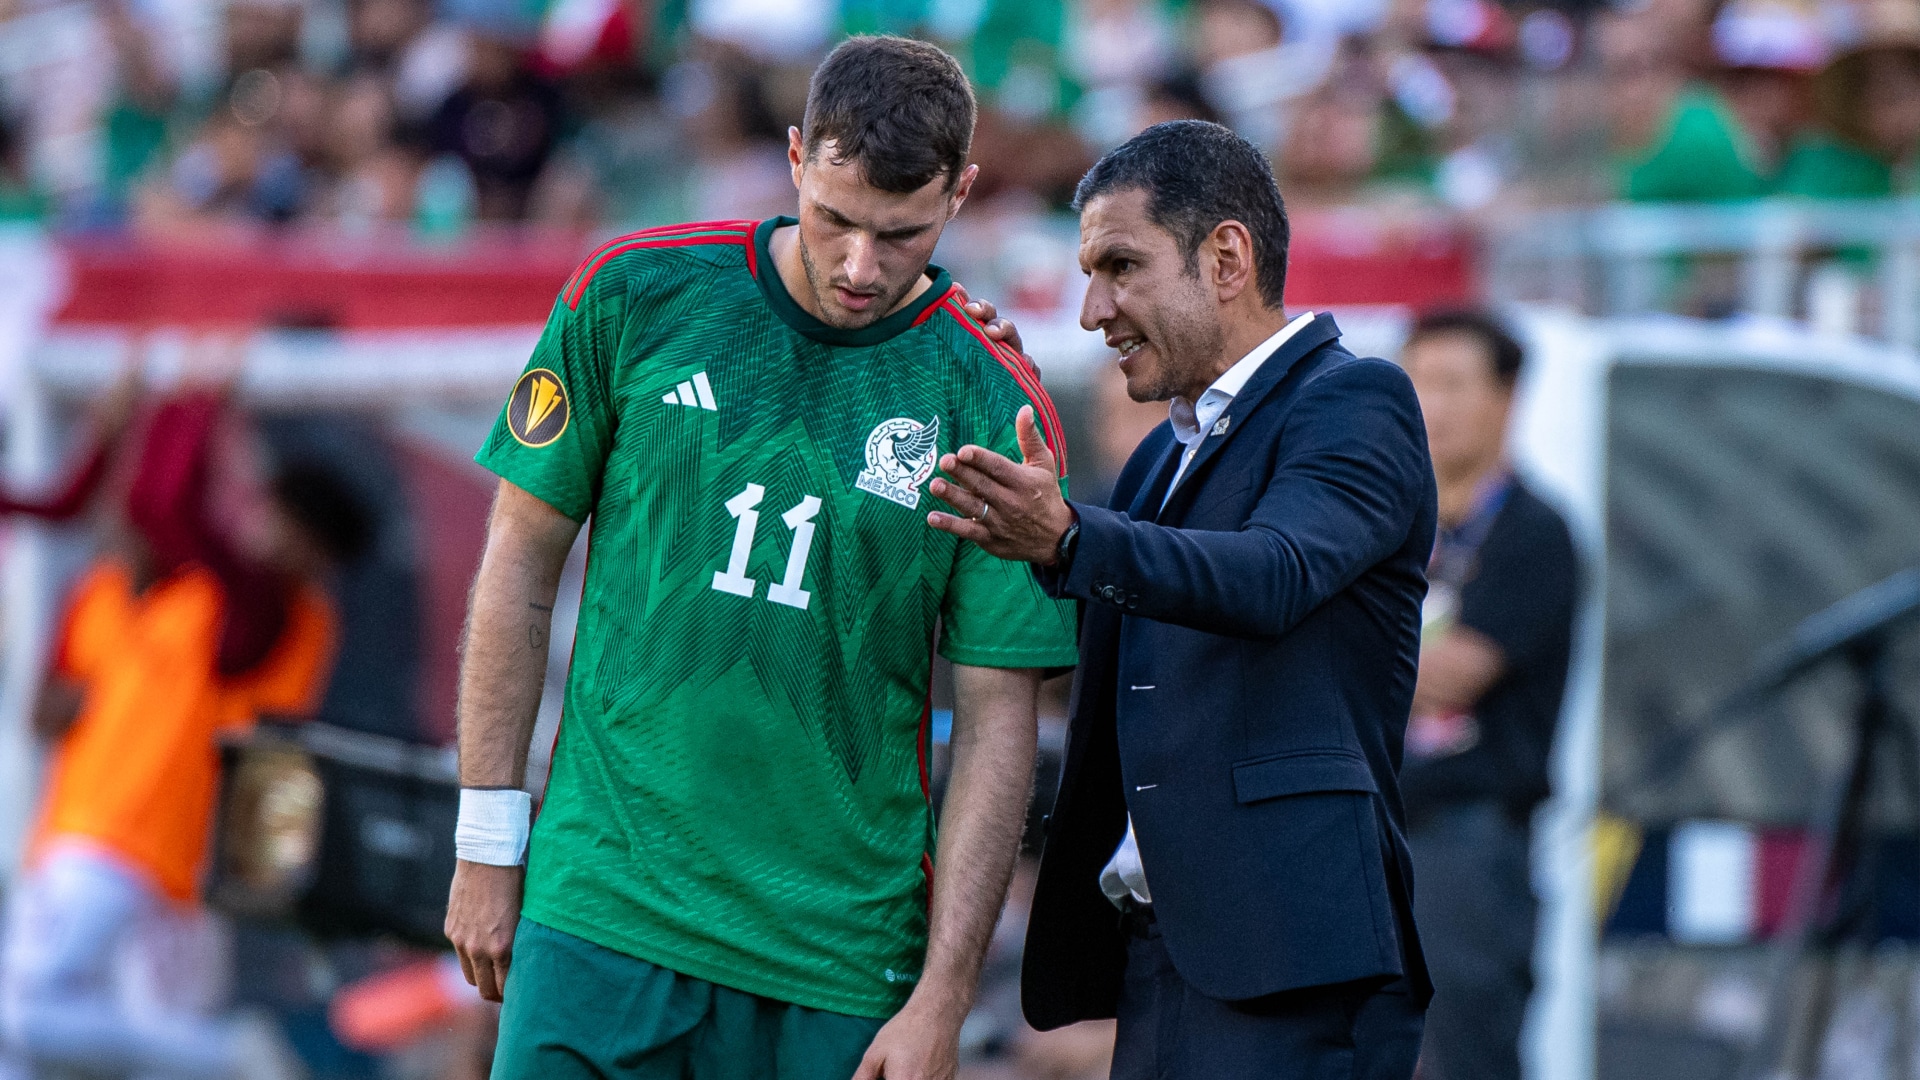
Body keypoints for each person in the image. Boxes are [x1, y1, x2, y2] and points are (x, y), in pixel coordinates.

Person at [443, 35, 1079, 1080]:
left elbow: (1000, 714)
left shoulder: (991, 402)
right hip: (605, 908)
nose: (861, 267)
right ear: (794, 158)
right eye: (836, 221)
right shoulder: (636, 294)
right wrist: (485, 838)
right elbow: (517, 560)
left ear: (962, 194)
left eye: (902, 234)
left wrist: (946, 995)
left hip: (835, 960)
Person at [928, 119, 1434, 1079]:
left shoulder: (1356, 400)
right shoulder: (1164, 451)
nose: (1092, 310)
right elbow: (1124, 634)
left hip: (1294, 967)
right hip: (1166, 962)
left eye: (1120, 266)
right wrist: (980, 395)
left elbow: (1273, 573)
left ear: (1228, 256)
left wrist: (1073, 537)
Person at [0, 396, 372, 1080]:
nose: (261, 526)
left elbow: (168, 503)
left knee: (21, 1017)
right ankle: (224, 1055)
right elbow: (48, 708)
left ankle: (232, 1056)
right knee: (62, 1036)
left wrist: (195, 403)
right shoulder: (138, 593)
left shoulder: (269, 607)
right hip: (80, 834)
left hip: (144, 844)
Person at [1395, 309, 1579, 1080]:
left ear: (1507, 398)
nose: (1429, 405)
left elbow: (1453, 678)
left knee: (1460, 1056)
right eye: (1415, 383)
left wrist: (1333, 646)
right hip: (1370, 833)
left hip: (1465, 847)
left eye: (1452, 384)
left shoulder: (1534, 535)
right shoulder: (1386, 529)